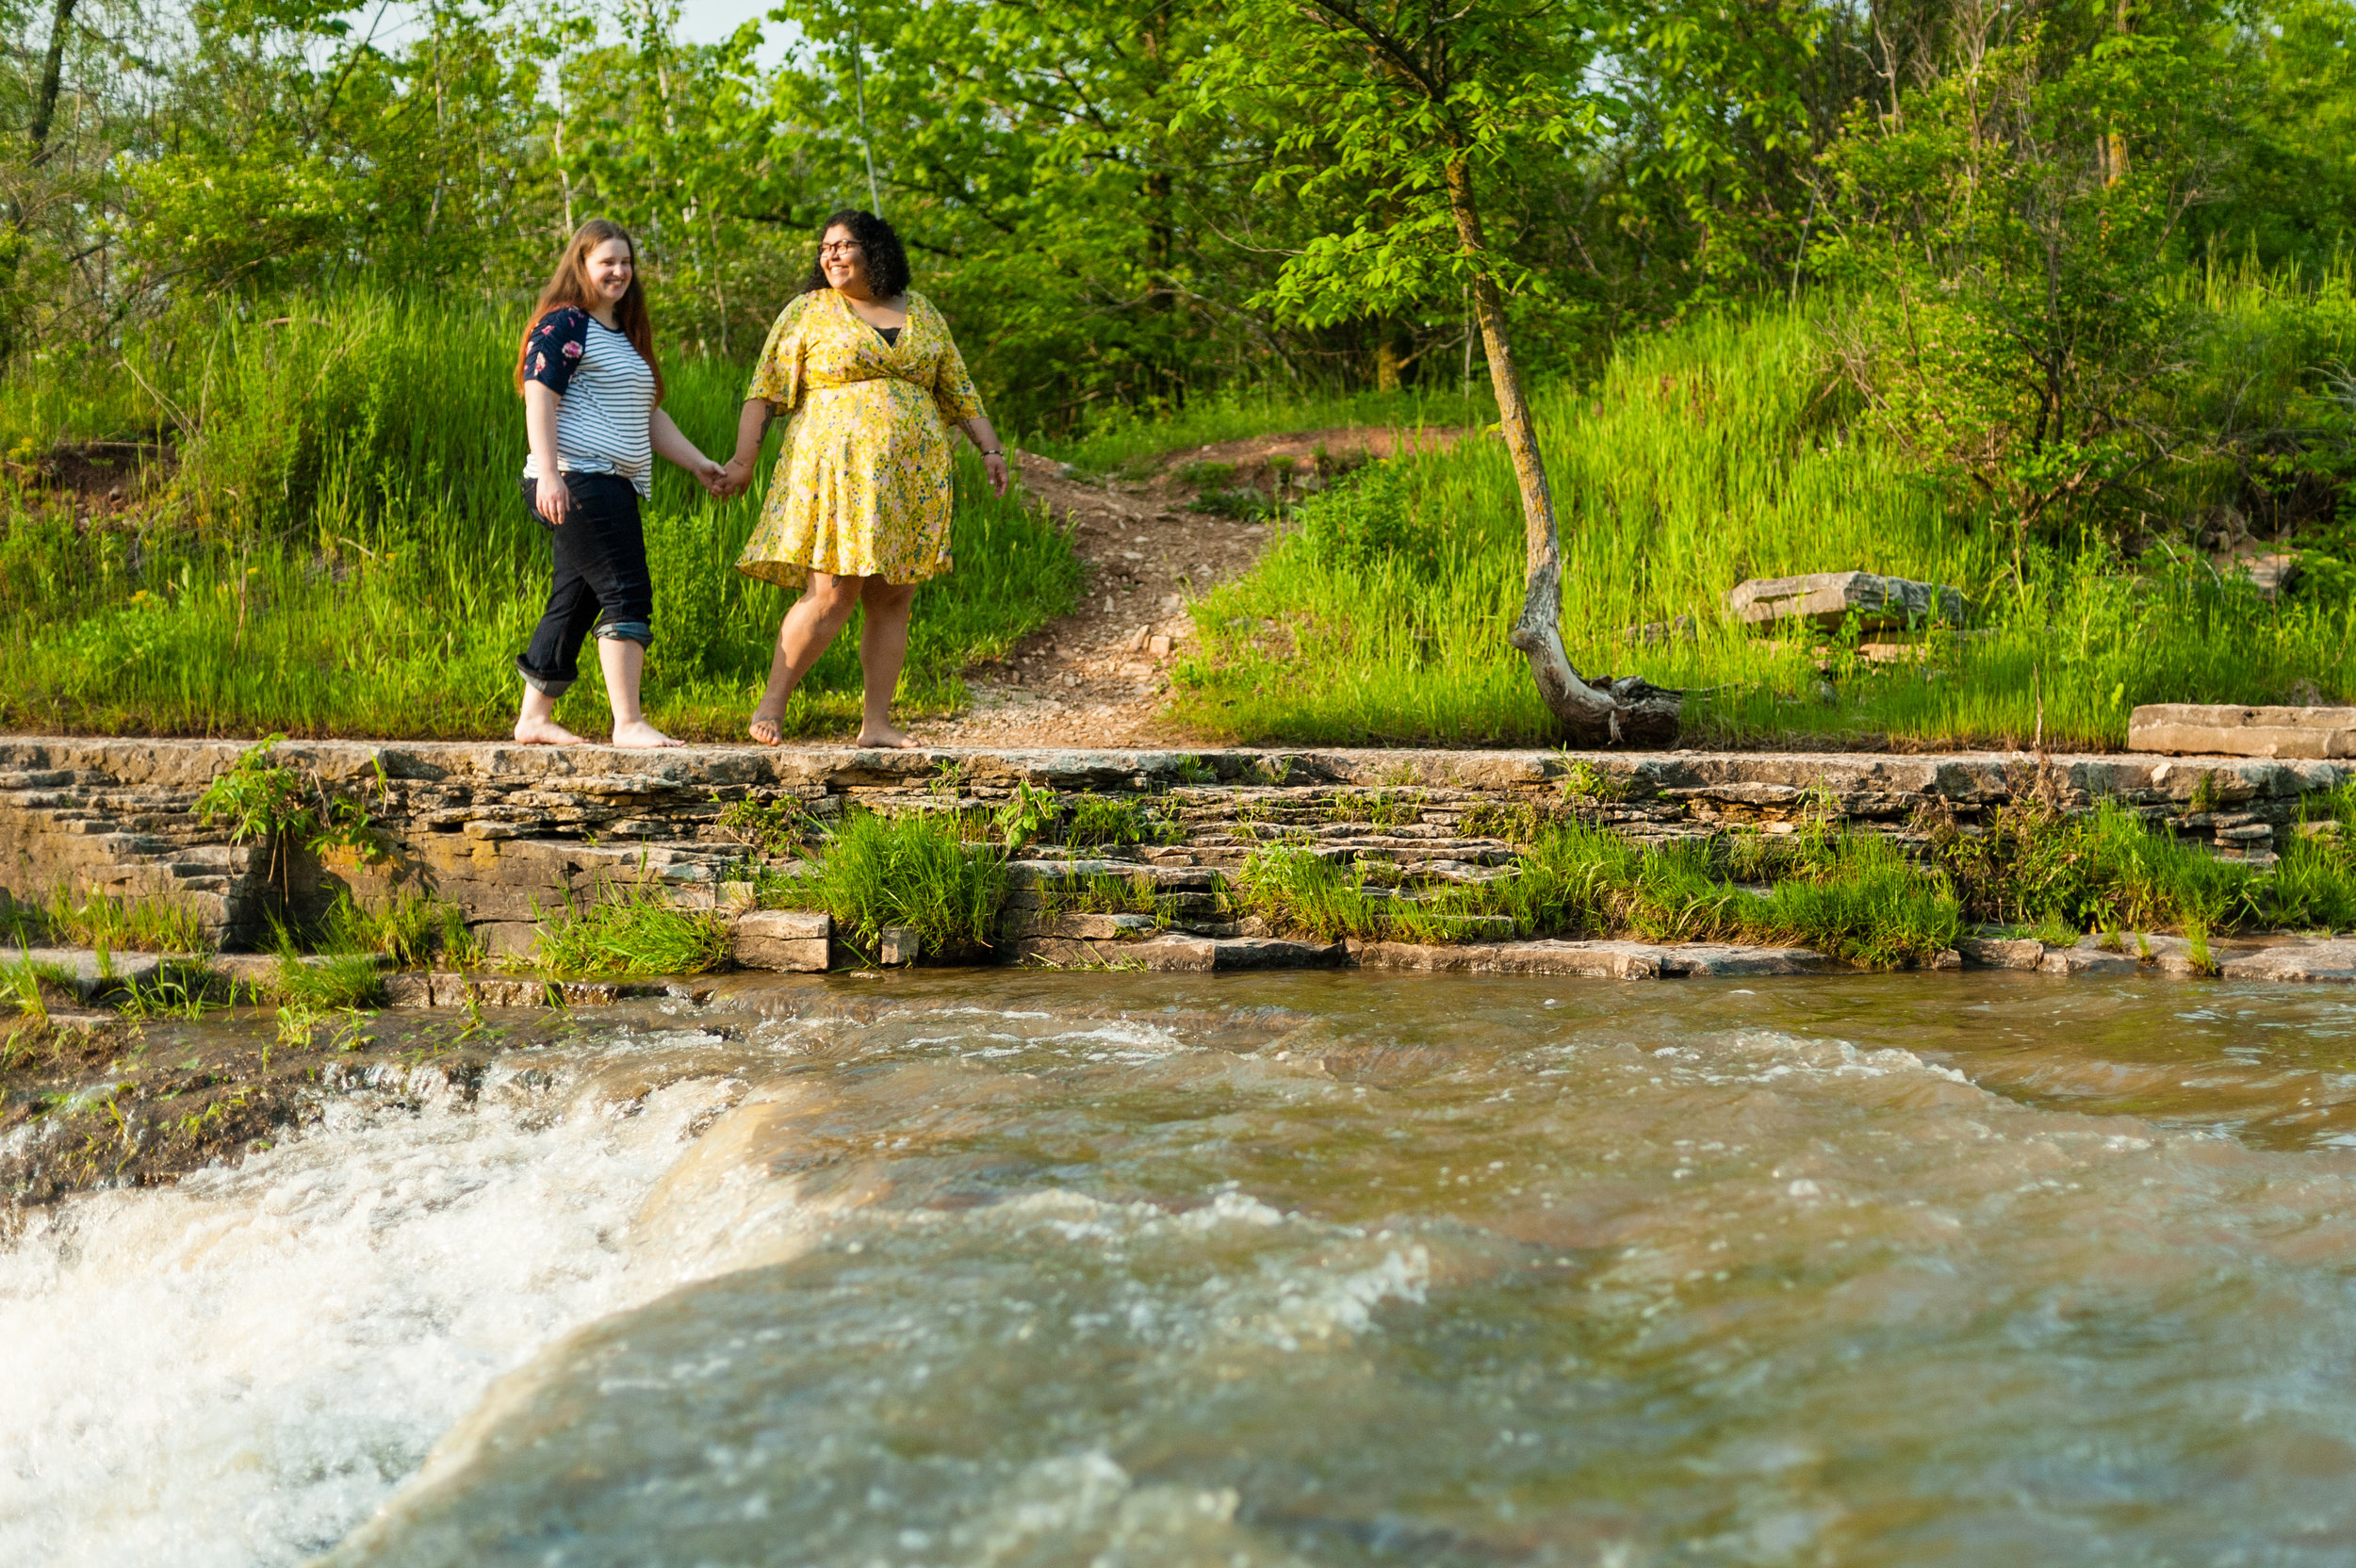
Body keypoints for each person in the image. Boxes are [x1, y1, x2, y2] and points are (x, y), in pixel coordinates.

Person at [719, 208, 1008, 748]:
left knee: (894, 598)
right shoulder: (809, 311)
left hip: (912, 480)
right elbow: (765, 391)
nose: (830, 255)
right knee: (832, 593)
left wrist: (989, 448)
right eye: (825, 247)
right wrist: (743, 461)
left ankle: (877, 723)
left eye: (843, 245)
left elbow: (960, 392)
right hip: (835, 473)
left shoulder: (922, 311)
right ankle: (772, 704)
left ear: (875, 251)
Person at [513, 218, 728, 748]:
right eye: (606, 261)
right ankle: (628, 723)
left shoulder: (621, 338)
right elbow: (539, 395)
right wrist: (549, 473)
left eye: (625, 262)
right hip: (578, 477)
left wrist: (699, 463)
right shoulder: (565, 323)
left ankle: (534, 719)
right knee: (626, 591)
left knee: (576, 598)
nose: (619, 271)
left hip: (611, 481)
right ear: (582, 264)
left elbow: (647, 415)